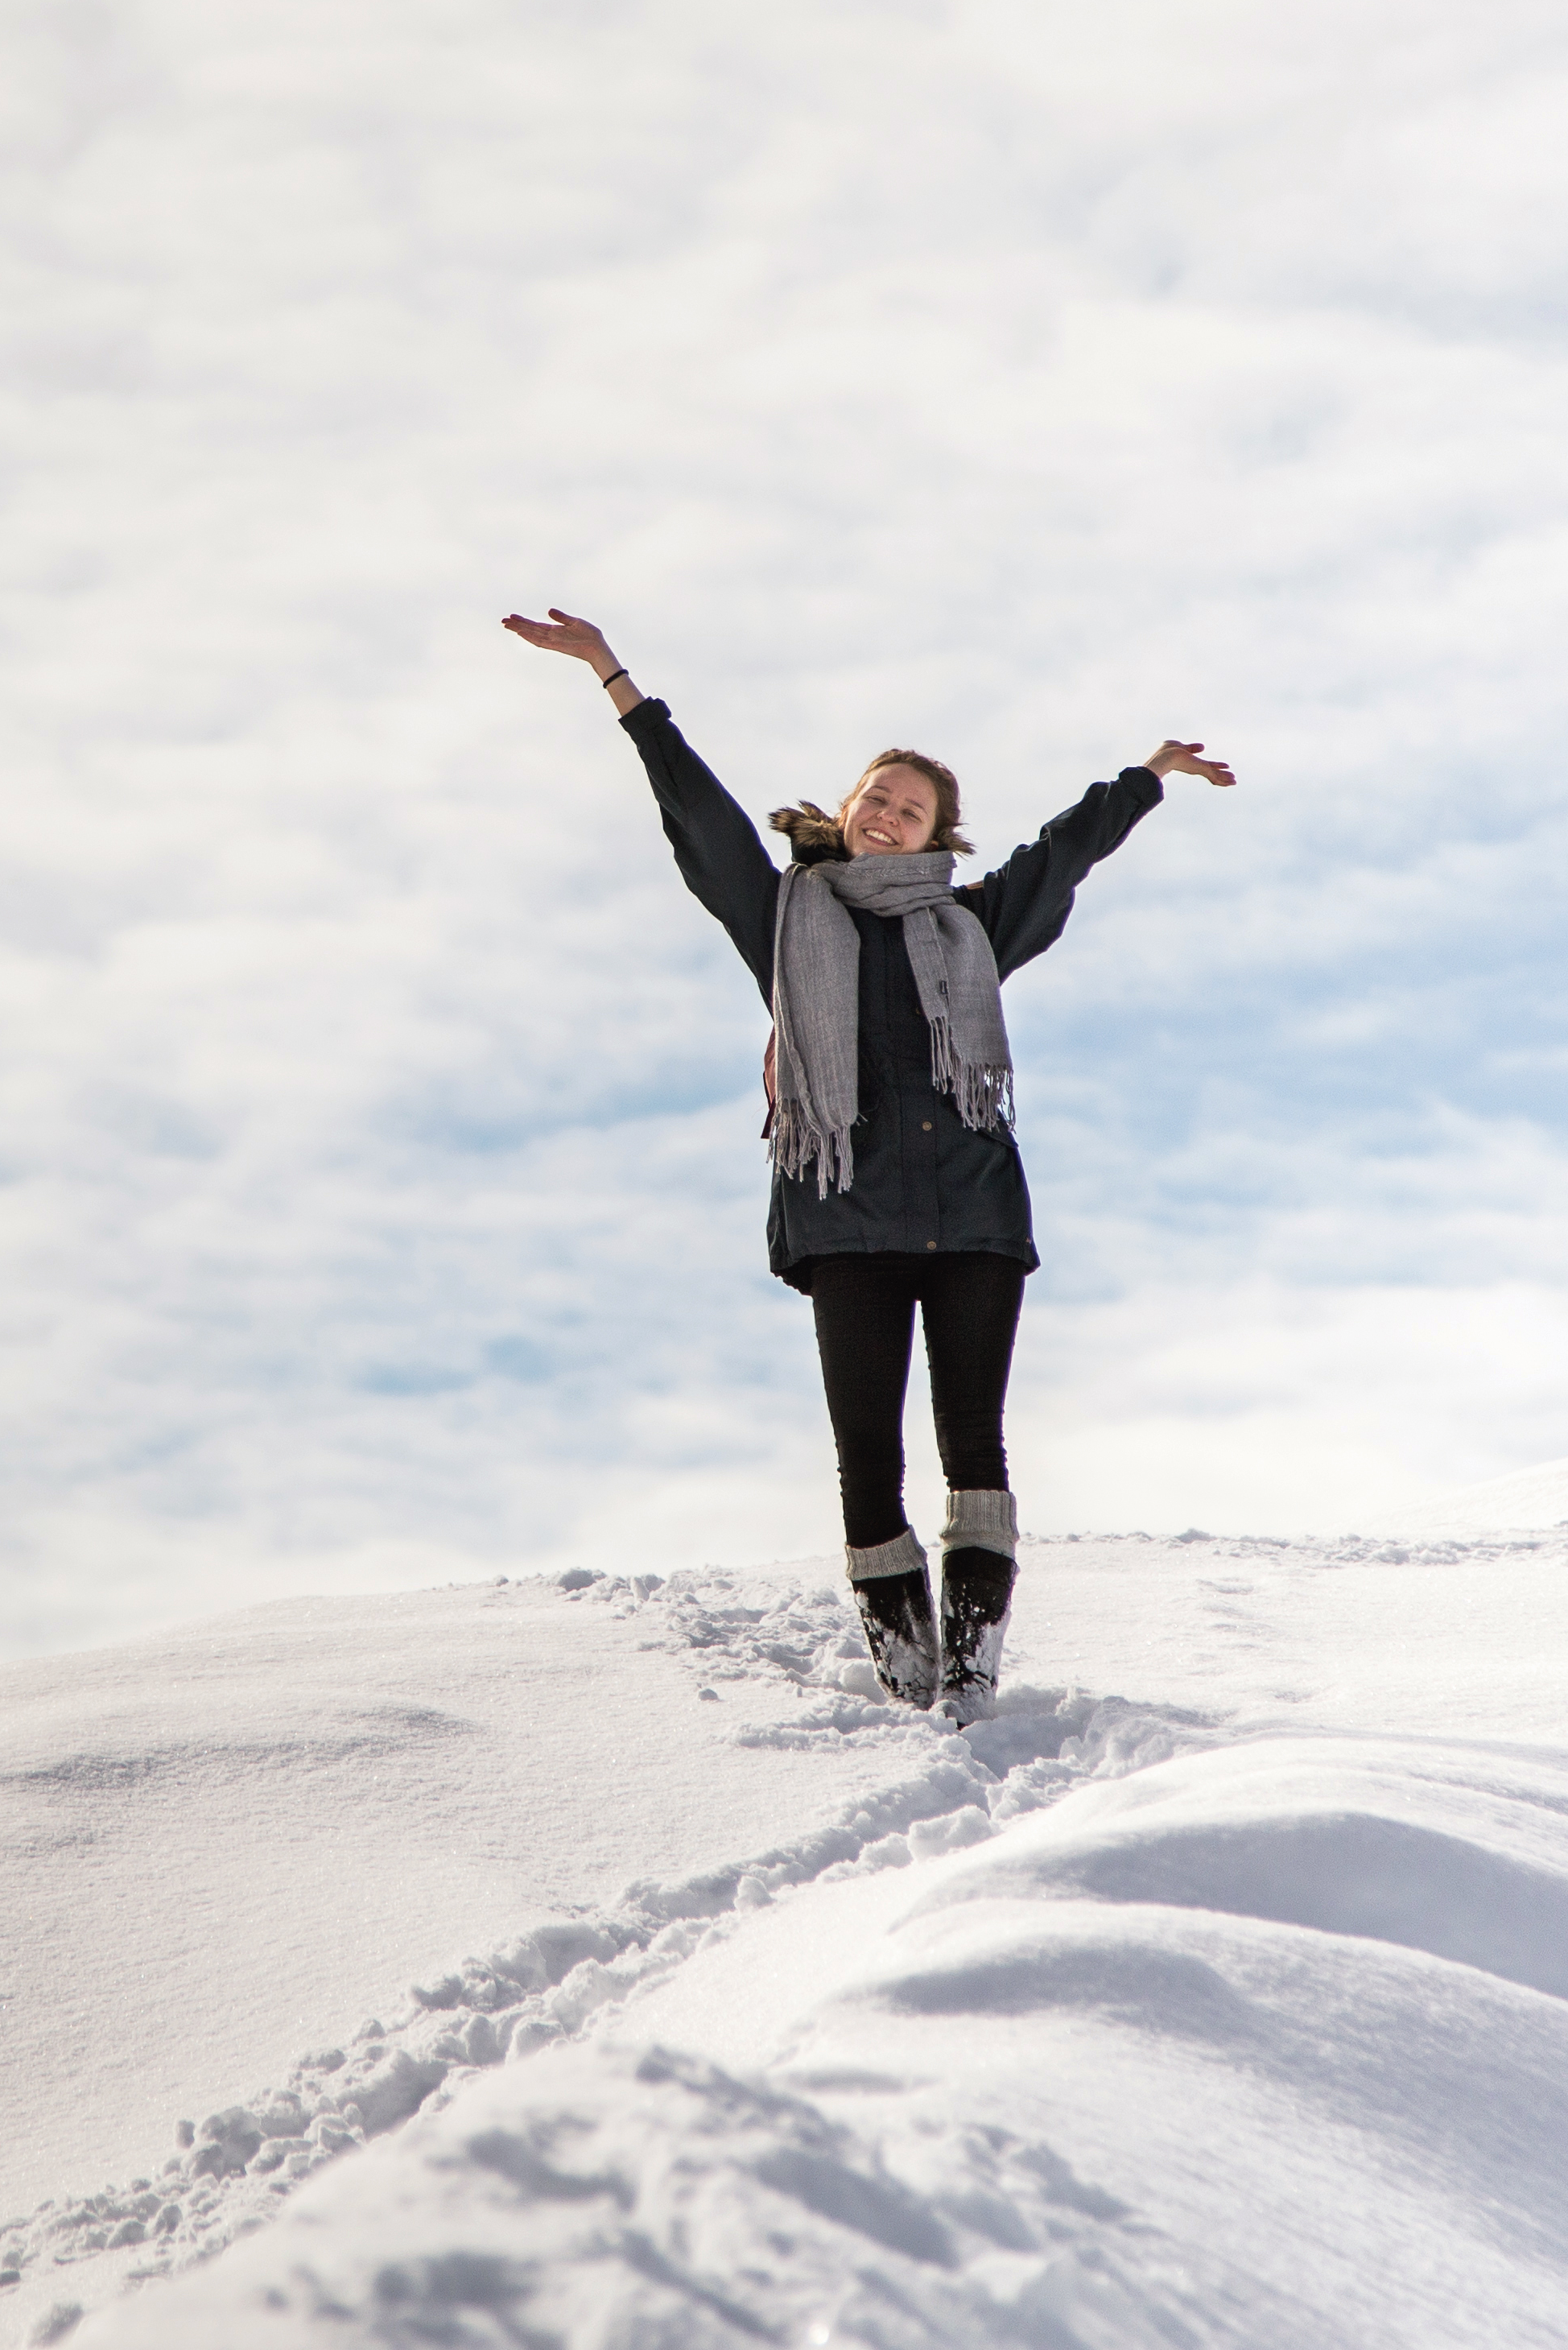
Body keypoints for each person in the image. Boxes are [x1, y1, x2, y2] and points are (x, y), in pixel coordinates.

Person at [500, 606, 1231, 1720]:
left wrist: (1145, 778)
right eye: (877, 798)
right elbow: (703, 825)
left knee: (974, 1443)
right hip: (846, 1222)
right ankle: (903, 1662)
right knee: (866, 1457)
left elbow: (1060, 855)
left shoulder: (975, 928)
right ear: (848, 811)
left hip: (974, 1215)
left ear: (941, 833)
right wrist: (615, 679)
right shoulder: (784, 919)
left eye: (913, 808)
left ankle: (973, 1655)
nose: (889, 816)